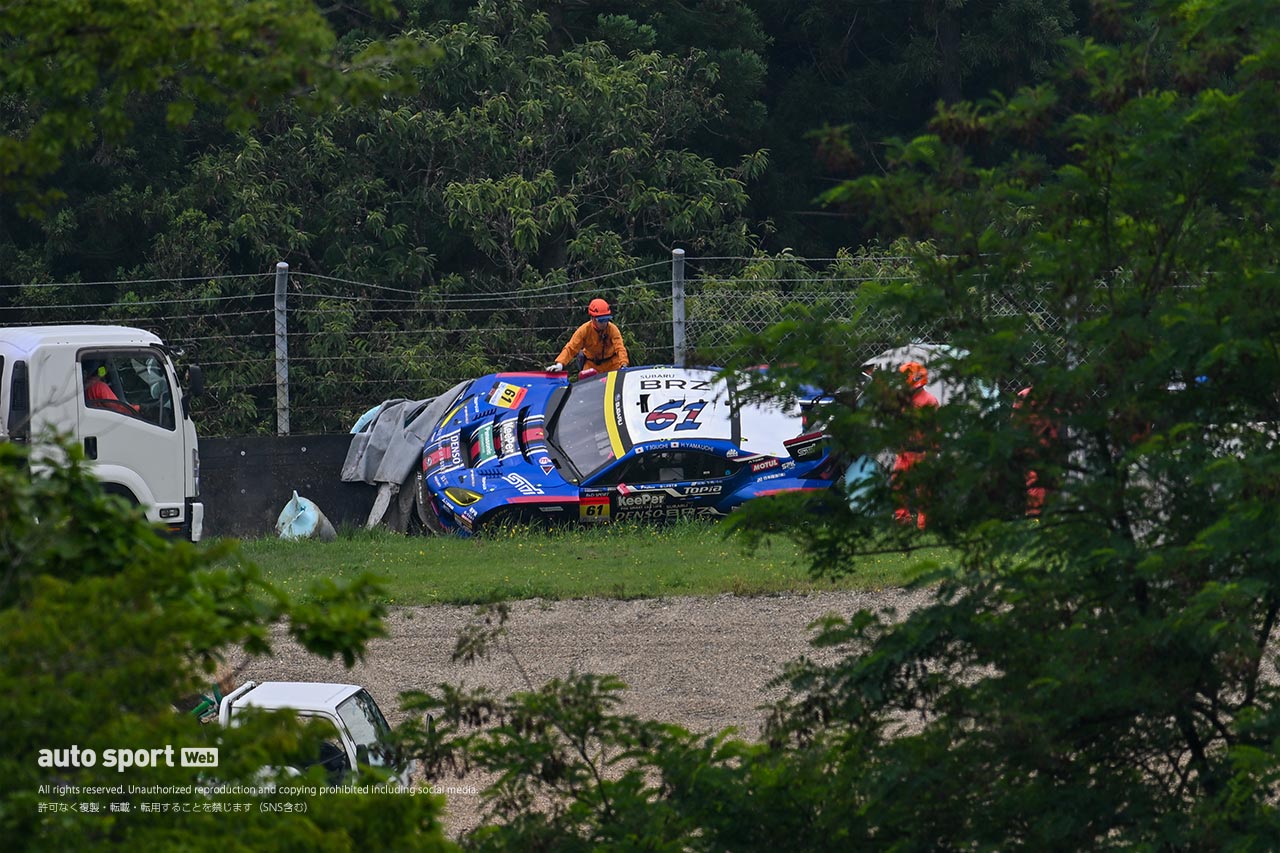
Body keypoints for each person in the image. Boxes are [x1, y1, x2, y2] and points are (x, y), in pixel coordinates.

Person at [891, 361, 939, 529]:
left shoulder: (929, 401)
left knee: (923, 490)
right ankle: (902, 520)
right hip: (904, 452)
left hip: (922, 453)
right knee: (898, 485)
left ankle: (924, 524)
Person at [546, 298, 629, 377]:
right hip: (591, 366)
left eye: (606, 319)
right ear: (593, 318)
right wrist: (560, 364)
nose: (604, 323)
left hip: (612, 364)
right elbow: (571, 348)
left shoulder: (612, 329)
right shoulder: (584, 330)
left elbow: (620, 348)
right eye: (601, 320)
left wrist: (623, 364)